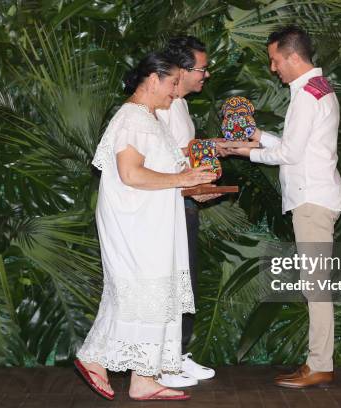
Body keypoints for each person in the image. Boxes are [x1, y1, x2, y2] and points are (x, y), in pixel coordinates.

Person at [74, 51, 218, 402]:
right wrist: (182, 177)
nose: (174, 90)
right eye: (171, 83)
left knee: (153, 295)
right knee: (139, 293)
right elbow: (131, 173)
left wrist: (191, 185)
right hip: (135, 225)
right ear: (153, 79)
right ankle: (93, 357)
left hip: (150, 223)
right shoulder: (133, 119)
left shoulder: (149, 118)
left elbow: (160, 175)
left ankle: (144, 378)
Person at [220, 25, 341, 388]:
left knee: (315, 285)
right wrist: (257, 137)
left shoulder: (307, 94)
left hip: (312, 199)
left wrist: (244, 150)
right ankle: (316, 362)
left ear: (292, 57)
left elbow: (289, 154)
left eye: (275, 61)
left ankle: (320, 364)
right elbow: (299, 147)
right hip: (317, 196)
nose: (273, 68)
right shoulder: (317, 88)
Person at [155, 35, 217, 388]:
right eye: (201, 69)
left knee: (185, 281)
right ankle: (166, 362)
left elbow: (185, 153)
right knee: (175, 281)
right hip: (171, 204)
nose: (204, 75)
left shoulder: (178, 105)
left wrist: (214, 150)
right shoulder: (165, 105)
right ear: (181, 70)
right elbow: (169, 159)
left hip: (183, 202)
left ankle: (175, 356)